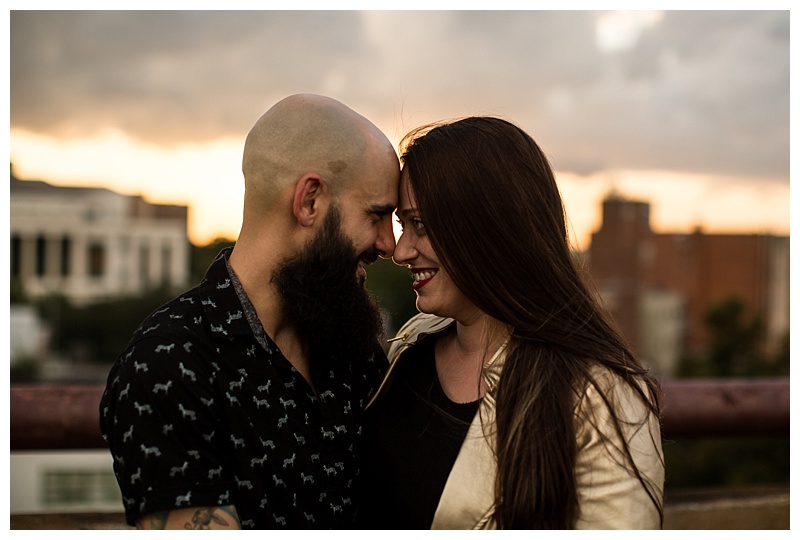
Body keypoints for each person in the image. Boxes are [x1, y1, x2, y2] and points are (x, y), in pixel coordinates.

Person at [100, 94, 400, 529]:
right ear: (309, 201)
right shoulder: (169, 364)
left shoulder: (353, 350)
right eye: (377, 215)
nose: (388, 244)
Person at [356, 116, 665, 529]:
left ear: (491, 227)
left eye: (421, 225)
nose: (400, 250)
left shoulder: (599, 397)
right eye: (402, 224)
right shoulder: (407, 350)